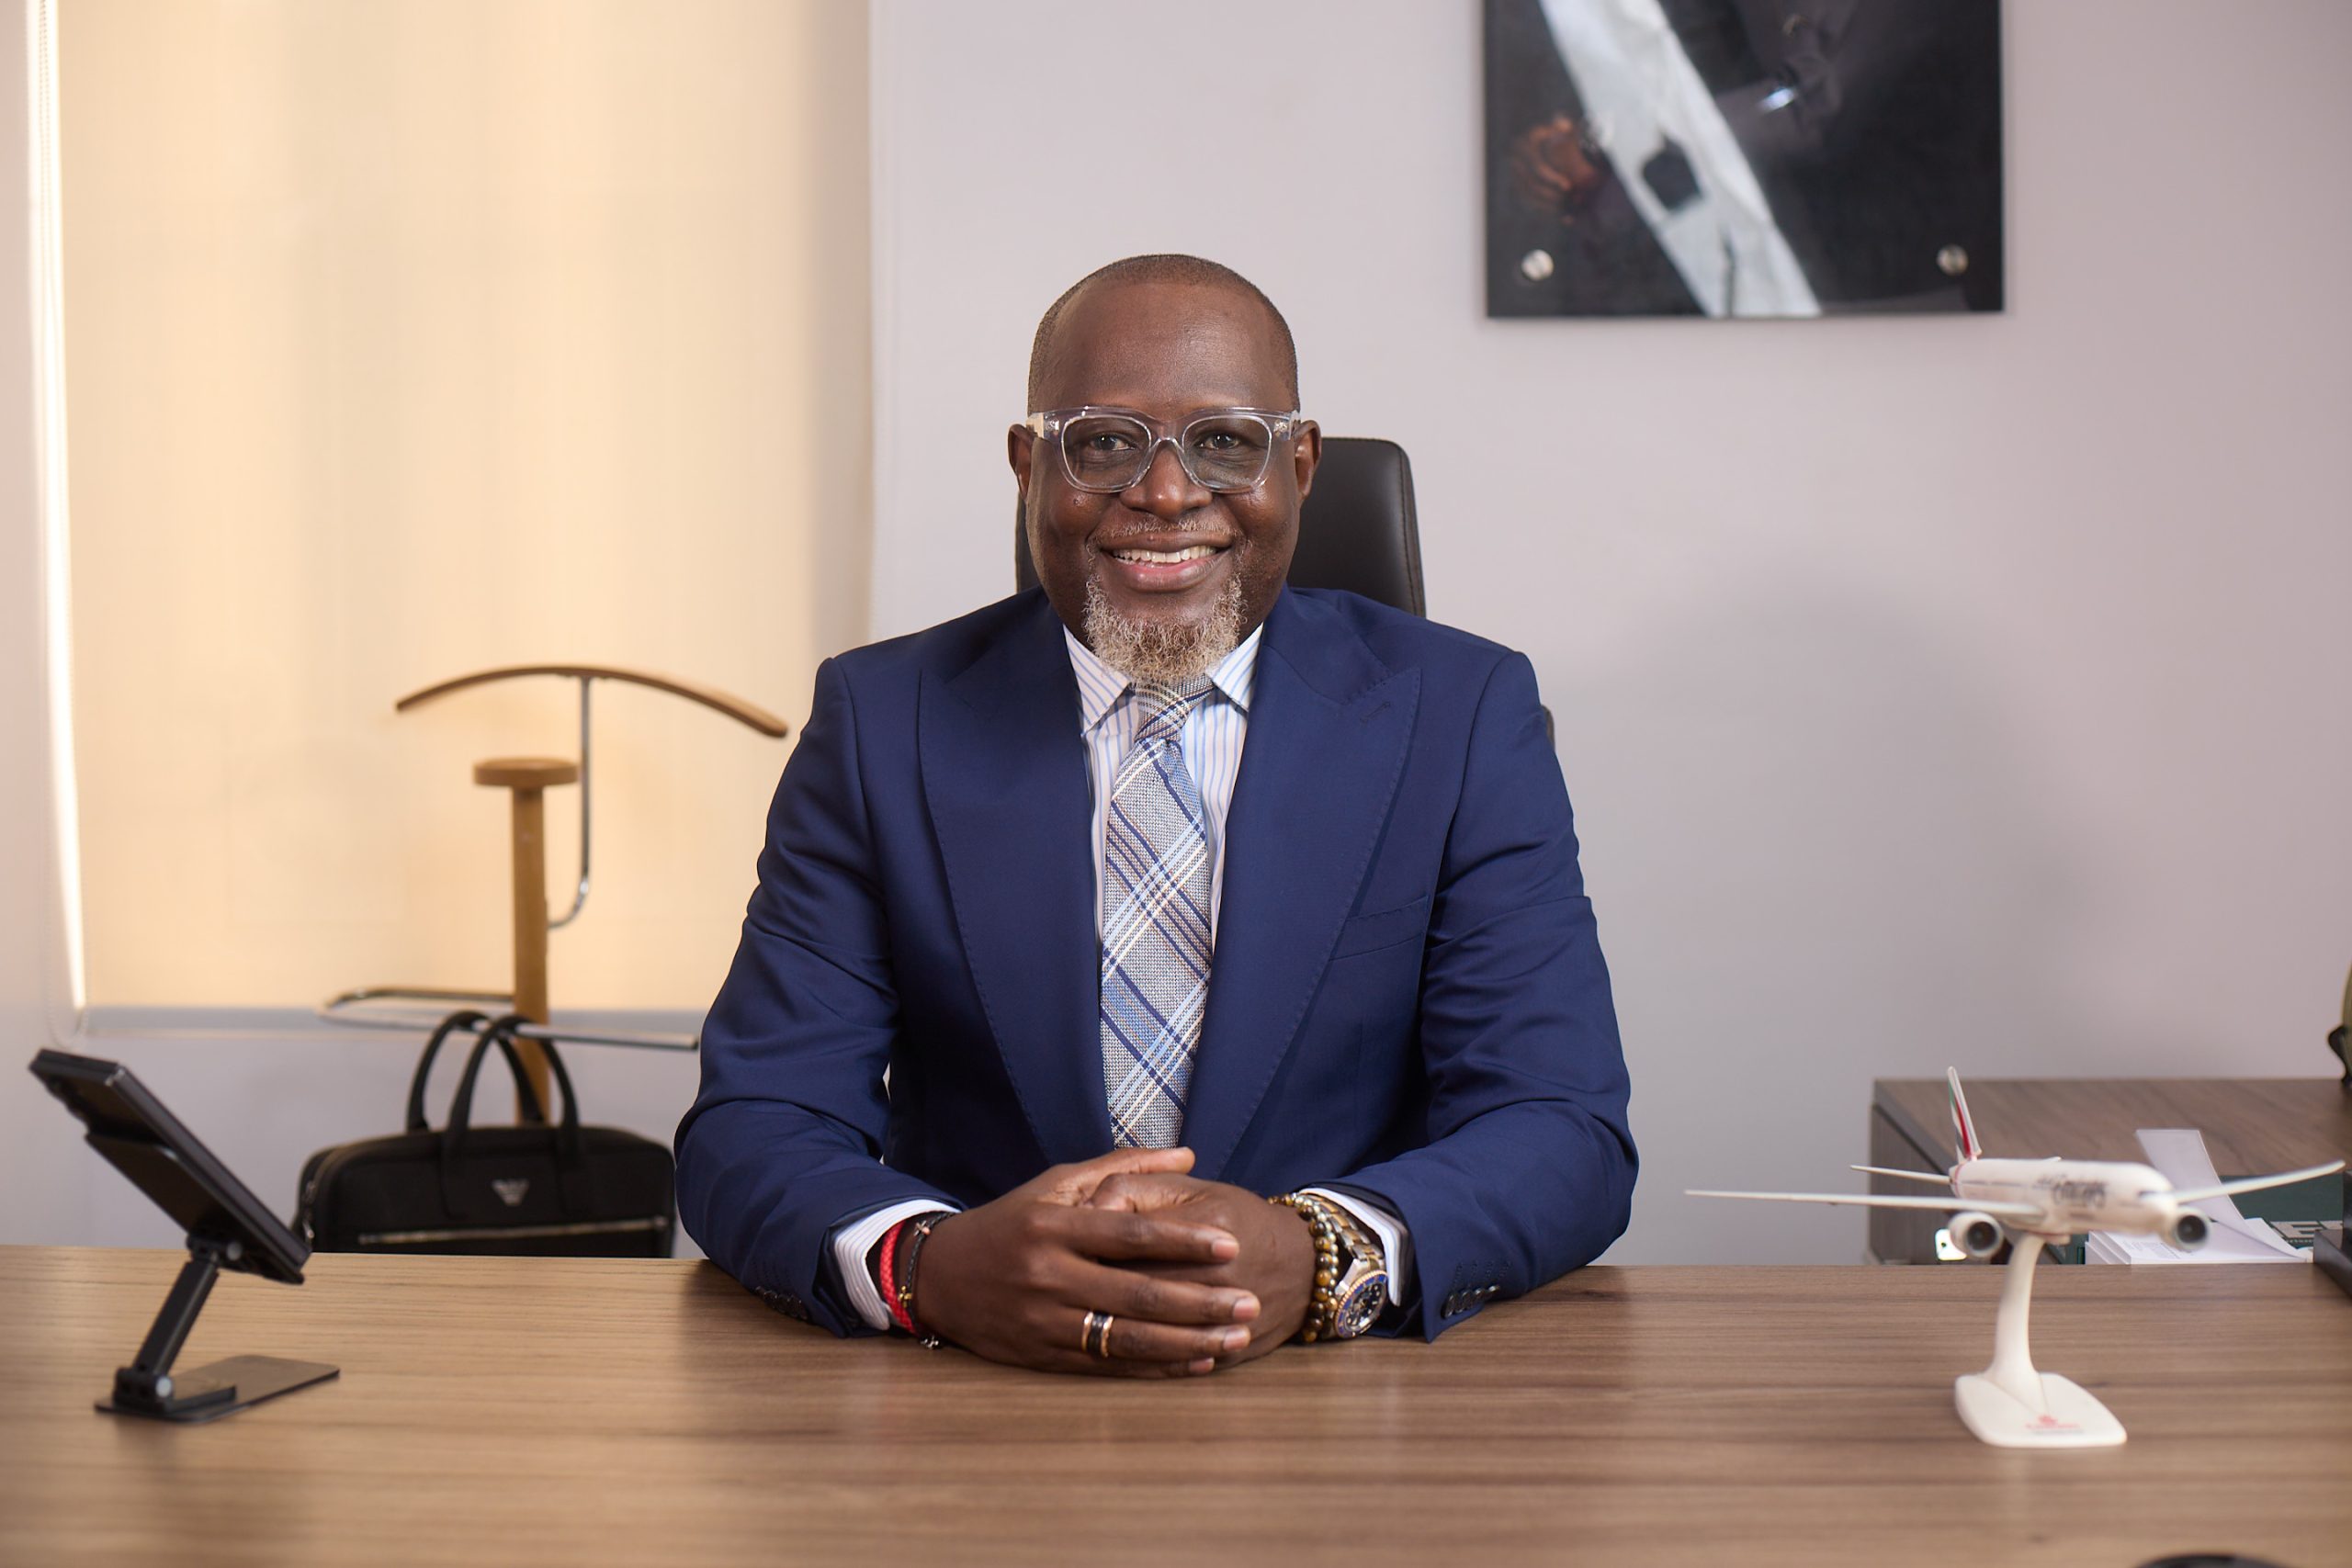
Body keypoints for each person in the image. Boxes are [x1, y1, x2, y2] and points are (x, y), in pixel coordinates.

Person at [676, 254, 1634, 1377]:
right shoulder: (883, 723)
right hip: (974, 1383)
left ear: (1300, 466)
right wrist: (931, 1265)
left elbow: (1560, 1127)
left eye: (1224, 441)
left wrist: (1321, 1254)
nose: (1168, 494)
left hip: (1345, 1390)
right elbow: (753, 1124)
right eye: (1103, 443)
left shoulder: (1460, 717)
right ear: (1029, 465)